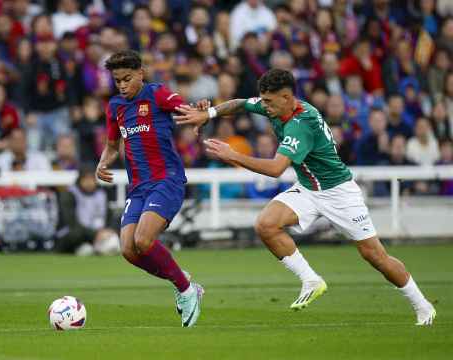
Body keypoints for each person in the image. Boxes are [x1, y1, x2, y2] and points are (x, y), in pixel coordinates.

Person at [174, 68, 436, 326]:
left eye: (269, 101)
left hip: (339, 193)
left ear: (287, 98)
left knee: (375, 256)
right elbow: (242, 103)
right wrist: (209, 113)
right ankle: (311, 280)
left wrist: (233, 156)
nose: (264, 106)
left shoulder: (302, 124)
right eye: (263, 100)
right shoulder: (274, 106)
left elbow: (276, 169)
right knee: (266, 224)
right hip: (310, 188)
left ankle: (423, 306)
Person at [96, 50, 203, 327]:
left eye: (127, 79)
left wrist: (200, 111)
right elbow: (111, 146)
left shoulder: (157, 94)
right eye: (117, 80)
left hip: (167, 180)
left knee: (143, 240)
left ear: (140, 73)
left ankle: (186, 291)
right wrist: (102, 164)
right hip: (139, 188)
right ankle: (183, 279)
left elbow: (185, 108)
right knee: (129, 250)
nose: (121, 85)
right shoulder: (115, 107)